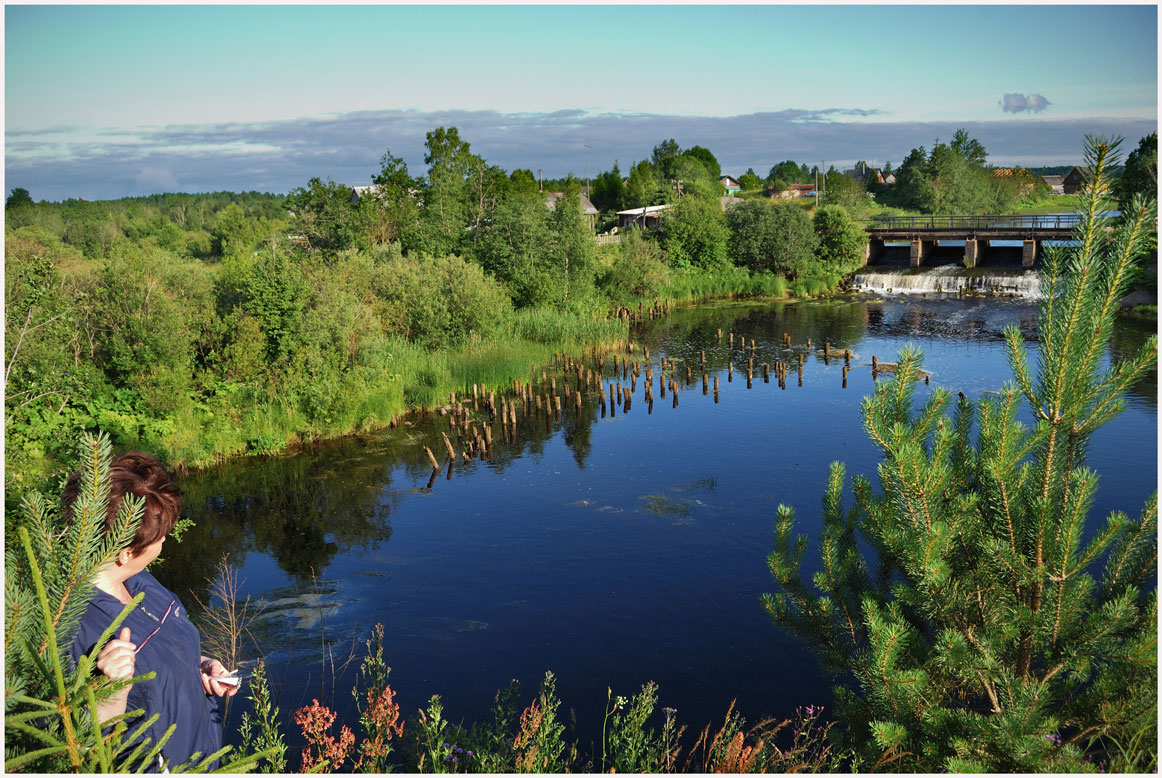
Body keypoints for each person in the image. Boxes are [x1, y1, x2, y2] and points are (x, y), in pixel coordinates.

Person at [64, 451, 237, 772]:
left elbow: (158, 659)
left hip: (203, 758)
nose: (165, 541)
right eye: (160, 537)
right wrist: (110, 694)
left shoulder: (142, 581)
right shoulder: (73, 626)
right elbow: (81, 742)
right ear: (125, 552)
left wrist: (201, 665)